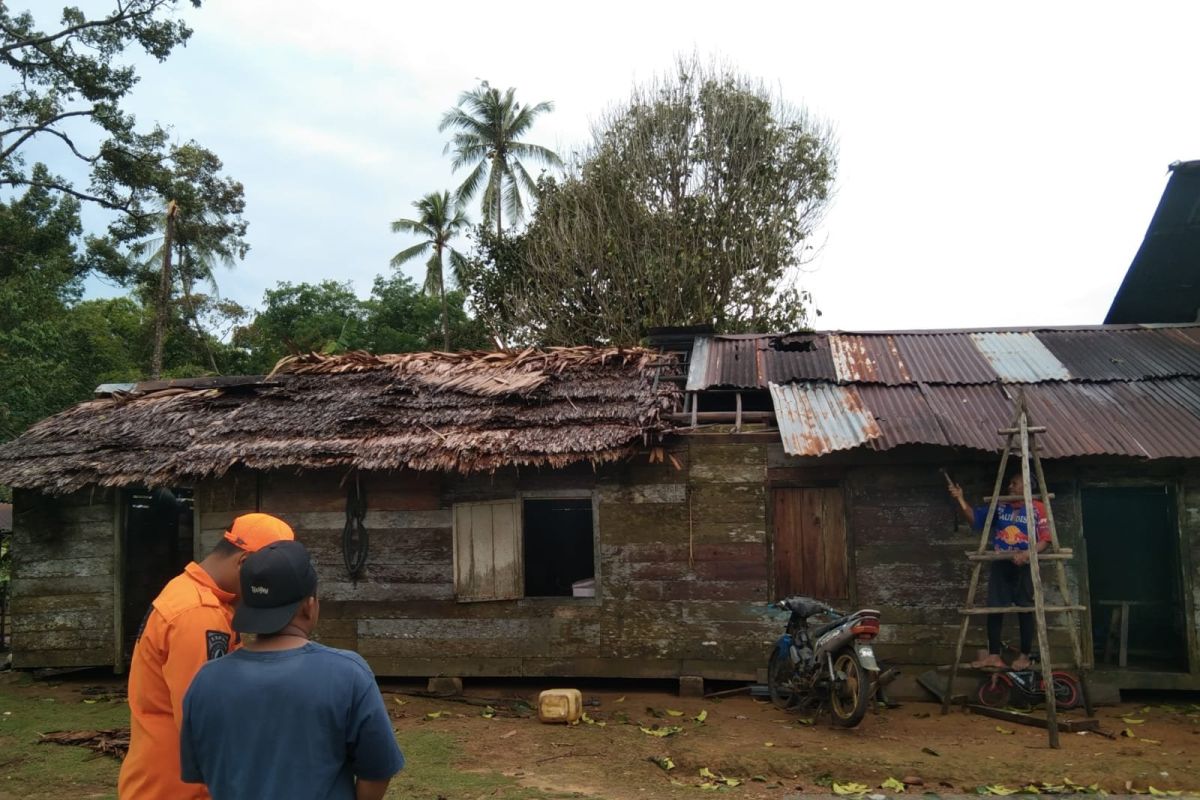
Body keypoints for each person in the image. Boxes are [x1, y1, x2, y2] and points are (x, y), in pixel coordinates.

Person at [180, 540, 405, 800]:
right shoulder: (348, 674)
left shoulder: (206, 680)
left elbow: (200, 771)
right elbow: (377, 770)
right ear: (310, 606)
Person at [119, 512, 295, 800]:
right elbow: (204, 723)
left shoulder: (191, 594)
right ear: (244, 563)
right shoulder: (199, 615)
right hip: (178, 789)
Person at [948, 468, 1051, 670]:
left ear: (1026, 486)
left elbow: (1045, 540)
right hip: (1001, 563)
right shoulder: (1001, 506)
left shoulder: (1037, 507)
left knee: (1025, 608)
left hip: (1025, 565)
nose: (1010, 487)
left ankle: (1024, 656)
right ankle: (994, 655)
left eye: (1014, 483)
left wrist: (1027, 554)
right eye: (1010, 483)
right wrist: (960, 498)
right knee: (994, 608)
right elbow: (976, 520)